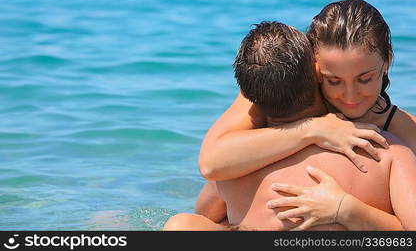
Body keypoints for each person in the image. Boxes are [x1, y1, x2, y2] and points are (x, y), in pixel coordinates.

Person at [163, 21, 416, 230]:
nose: (349, 97)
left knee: (181, 225)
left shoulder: (240, 163)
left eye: (364, 78)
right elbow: (210, 163)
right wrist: (313, 130)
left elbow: (206, 209)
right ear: (317, 71)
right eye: (335, 80)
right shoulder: (390, 151)